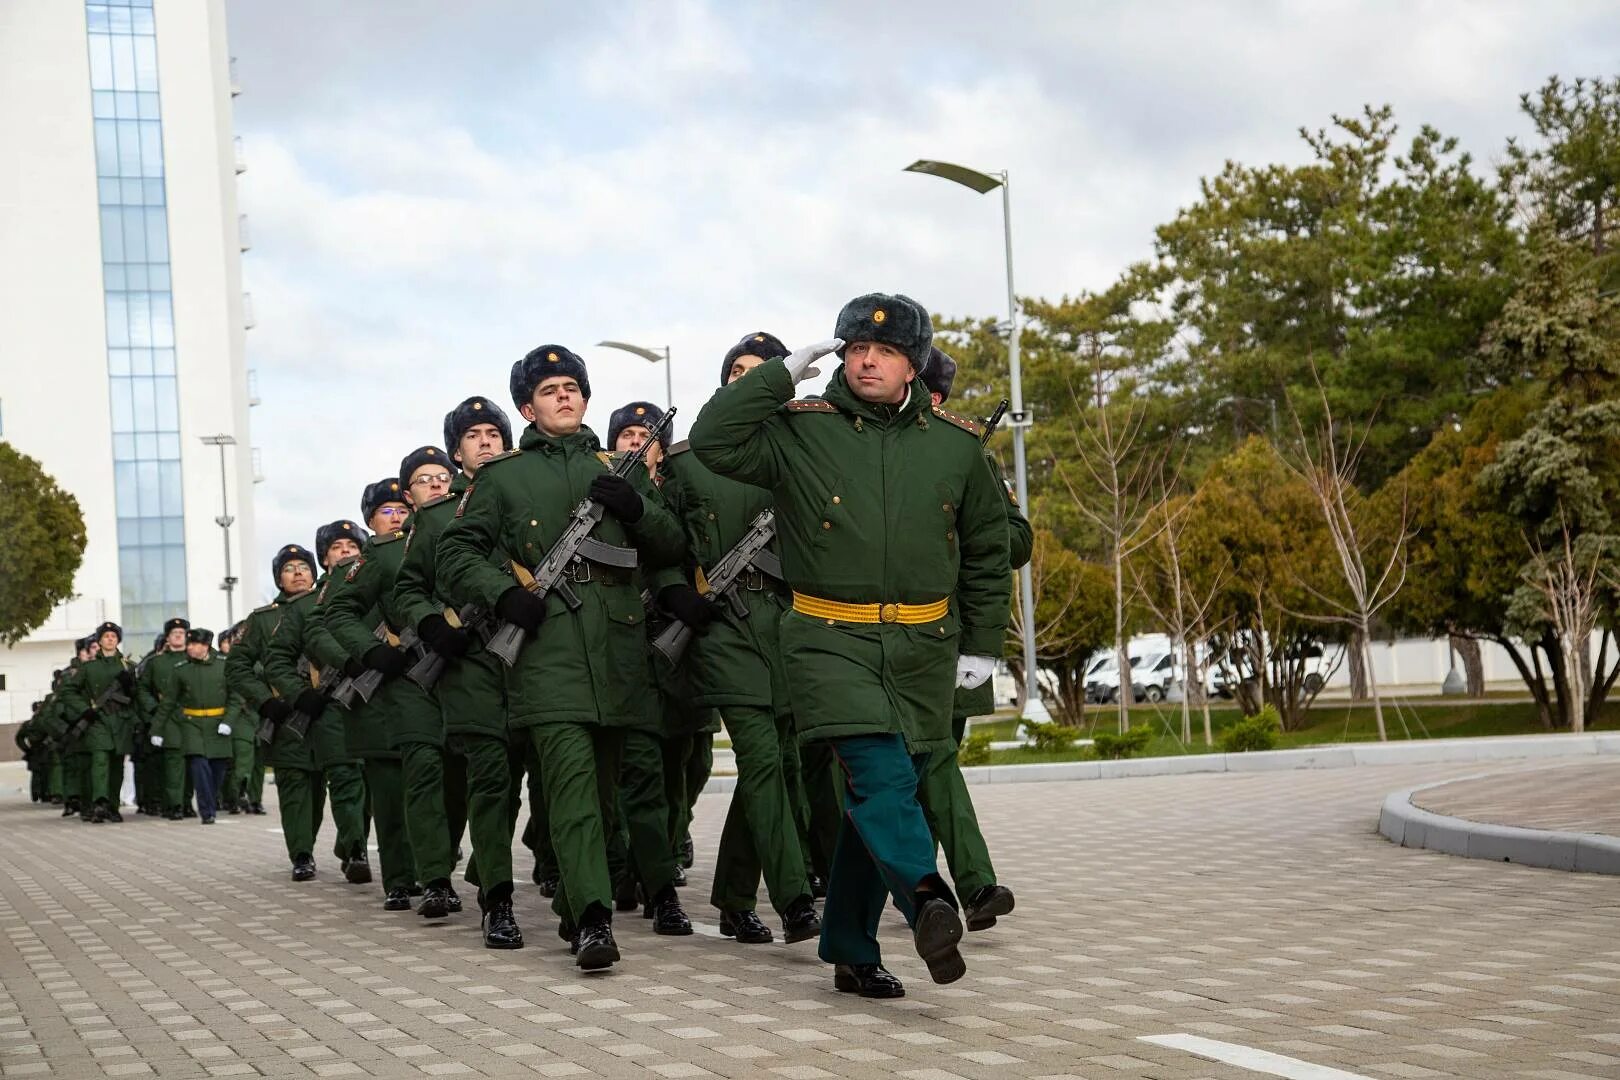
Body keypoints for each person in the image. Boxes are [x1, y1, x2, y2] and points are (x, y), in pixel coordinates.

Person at [690, 293, 1011, 998]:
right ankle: (928, 896)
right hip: (827, 636)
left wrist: (982, 643)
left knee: (878, 798)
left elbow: (991, 548)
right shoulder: (801, 430)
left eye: (887, 351)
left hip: (923, 643)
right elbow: (712, 441)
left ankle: (849, 949)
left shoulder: (955, 446)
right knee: (884, 779)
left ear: (912, 365)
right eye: (856, 348)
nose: (868, 359)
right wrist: (776, 377)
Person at [437, 344, 685, 969]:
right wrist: (504, 595)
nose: (565, 396)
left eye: (572, 387)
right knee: (573, 793)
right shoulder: (504, 477)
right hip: (547, 654)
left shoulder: (619, 468)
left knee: (601, 798)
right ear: (528, 406)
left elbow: (673, 544)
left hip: (618, 653)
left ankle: (578, 910)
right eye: (550, 390)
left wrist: (635, 507)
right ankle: (598, 920)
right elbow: (456, 555)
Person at [652, 335, 823, 945]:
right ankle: (795, 898)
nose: (743, 381)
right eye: (735, 372)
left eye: (759, 372)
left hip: (791, 623)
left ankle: (731, 898)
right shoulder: (689, 457)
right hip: (723, 627)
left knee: (781, 765)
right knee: (761, 760)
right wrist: (677, 593)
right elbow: (662, 544)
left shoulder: (805, 448)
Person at [393, 396, 526, 948]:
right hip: (471, 662)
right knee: (491, 780)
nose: (487, 440)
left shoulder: (531, 496)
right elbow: (407, 588)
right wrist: (430, 625)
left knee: (533, 782)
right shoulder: (438, 517)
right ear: (457, 453)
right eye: (473, 435)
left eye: (494, 431)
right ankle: (498, 900)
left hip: (534, 656)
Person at [915, 346, 1030, 931]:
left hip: (948, 636)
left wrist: (964, 527)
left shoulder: (970, 460)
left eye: (937, 398)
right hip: (866, 637)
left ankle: (964, 886)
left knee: (937, 762)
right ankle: (923, 882)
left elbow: (1016, 541)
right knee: (900, 775)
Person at [326, 466, 461, 917]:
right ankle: (409, 879)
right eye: (389, 510)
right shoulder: (379, 558)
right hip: (398, 683)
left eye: (401, 510)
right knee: (393, 789)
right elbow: (335, 617)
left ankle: (436, 865)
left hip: (457, 672)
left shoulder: (456, 532)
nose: (397, 517)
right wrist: (368, 653)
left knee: (453, 782)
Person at [601, 399, 694, 935]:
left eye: (647, 434)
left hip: (677, 653)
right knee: (636, 779)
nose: (637, 441)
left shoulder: (678, 493)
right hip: (624, 653)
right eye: (627, 434)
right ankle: (654, 887)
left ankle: (650, 863)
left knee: (681, 772)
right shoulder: (599, 493)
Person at [264, 522, 375, 888]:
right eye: (336, 547)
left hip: (377, 697)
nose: (345, 552)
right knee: (344, 778)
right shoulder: (305, 607)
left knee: (369, 785)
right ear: (326, 558)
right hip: (333, 706)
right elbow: (276, 658)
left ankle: (351, 845)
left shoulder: (381, 589)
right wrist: (299, 694)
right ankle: (353, 850)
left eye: (352, 545)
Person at [229, 544, 327, 880]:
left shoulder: (332, 604)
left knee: (326, 787)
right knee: (296, 787)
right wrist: (265, 701)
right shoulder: (262, 619)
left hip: (329, 708)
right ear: (278, 578)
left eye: (304, 566)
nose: (298, 572)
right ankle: (301, 853)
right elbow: (237, 667)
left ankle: (353, 848)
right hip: (286, 713)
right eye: (289, 568)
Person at [57, 622, 138, 824]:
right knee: (100, 760)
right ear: (99, 641)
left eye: (113, 636)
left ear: (118, 640)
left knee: (117, 765)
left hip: (121, 721)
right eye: (106, 636)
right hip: (99, 720)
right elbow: (67, 692)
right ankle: (99, 802)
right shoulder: (89, 668)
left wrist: (131, 688)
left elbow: (139, 695)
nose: (110, 639)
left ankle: (113, 805)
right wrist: (85, 709)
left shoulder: (128, 667)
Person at [160, 629, 233, 824]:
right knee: (199, 766)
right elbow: (169, 702)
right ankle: (207, 811)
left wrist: (228, 721)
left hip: (218, 725)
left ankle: (211, 799)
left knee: (217, 770)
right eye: (189, 644)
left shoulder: (224, 666)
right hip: (192, 725)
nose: (189, 647)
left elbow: (236, 696)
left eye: (194, 644)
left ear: (206, 646)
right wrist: (156, 729)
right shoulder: (181, 669)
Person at [137, 617, 192, 820]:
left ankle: (187, 802)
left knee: (192, 762)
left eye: (182, 633)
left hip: (193, 716)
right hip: (168, 717)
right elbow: (142, 689)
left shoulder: (195, 659)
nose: (178, 636)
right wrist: (154, 709)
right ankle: (175, 804)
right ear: (167, 638)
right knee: (173, 762)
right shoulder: (156, 663)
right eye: (174, 633)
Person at [218, 624, 263, 814]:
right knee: (242, 763)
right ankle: (235, 798)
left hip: (261, 716)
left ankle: (255, 799)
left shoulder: (262, 658)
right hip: (241, 718)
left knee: (259, 763)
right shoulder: (229, 661)